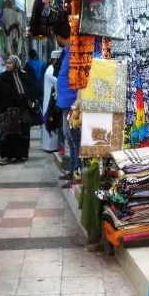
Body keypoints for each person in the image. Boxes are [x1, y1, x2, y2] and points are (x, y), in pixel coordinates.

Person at [0, 56, 37, 164]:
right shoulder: (1, 78)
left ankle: (19, 155)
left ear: (16, 64)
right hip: (5, 111)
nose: (8, 65)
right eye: (7, 63)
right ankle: (6, 156)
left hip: (20, 111)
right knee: (6, 133)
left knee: (20, 134)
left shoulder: (23, 76)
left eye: (10, 63)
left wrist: (29, 102)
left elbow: (31, 91)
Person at [55, 35, 80, 184]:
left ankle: (76, 171)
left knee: (74, 137)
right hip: (66, 100)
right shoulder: (67, 51)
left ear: (59, 36)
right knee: (69, 136)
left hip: (72, 100)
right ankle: (72, 170)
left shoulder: (73, 50)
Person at [41, 50, 60, 153]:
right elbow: (59, 81)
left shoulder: (51, 69)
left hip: (50, 99)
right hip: (50, 101)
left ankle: (51, 146)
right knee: (51, 121)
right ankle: (50, 147)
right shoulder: (51, 70)